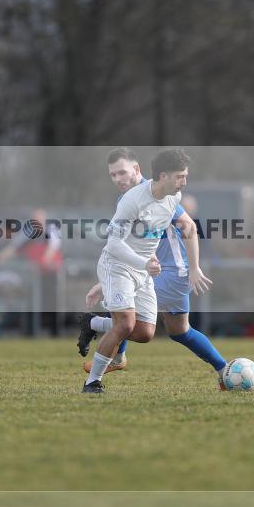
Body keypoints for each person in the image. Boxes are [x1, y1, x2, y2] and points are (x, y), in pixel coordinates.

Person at [78, 148, 225, 385]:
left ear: (137, 170)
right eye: (113, 175)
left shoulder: (166, 193)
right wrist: (105, 281)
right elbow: (122, 245)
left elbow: (188, 227)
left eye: (122, 173)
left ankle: (100, 332)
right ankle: (224, 370)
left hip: (171, 271)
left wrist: (194, 267)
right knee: (147, 323)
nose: (118, 179)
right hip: (150, 269)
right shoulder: (128, 199)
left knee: (168, 329)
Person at [0, 207, 64, 336]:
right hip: (34, 275)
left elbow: (53, 248)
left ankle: (55, 333)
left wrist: (44, 261)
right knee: (31, 303)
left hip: (49, 275)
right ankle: (30, 333)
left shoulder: (51, 230)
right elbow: (14, 248)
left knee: (51, 304)